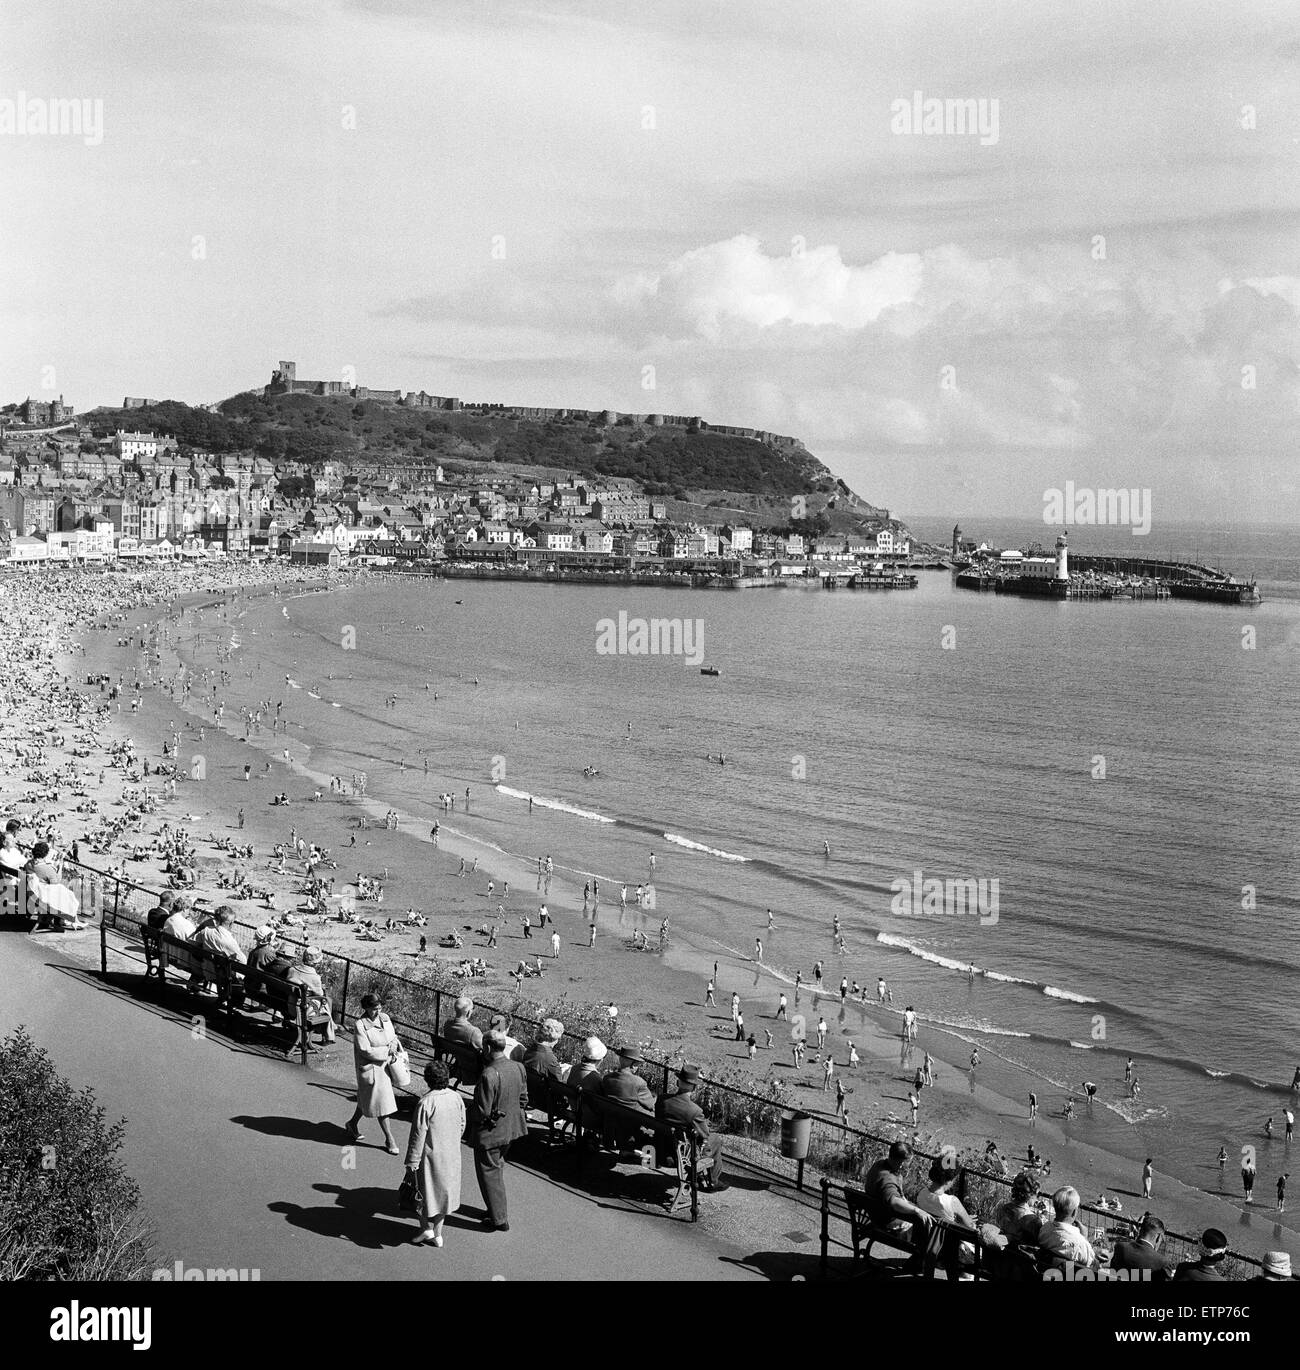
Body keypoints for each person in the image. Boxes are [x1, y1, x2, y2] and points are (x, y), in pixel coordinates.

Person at [471, 1030, 529, 1232]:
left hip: (490, 1133)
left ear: (487, 1047)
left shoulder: (488, 1074)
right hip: (512, 1128)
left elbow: (482, 1111)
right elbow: (523, 1099)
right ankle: (494, 1209)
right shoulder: (519, 1067)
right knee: (497, 1168)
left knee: (489, 1173)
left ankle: (499, 1218)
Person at [404, 1060, 466, 1247]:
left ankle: (425, 1228)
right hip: (451, 1154)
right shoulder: (456, 1098)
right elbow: (462, 1124)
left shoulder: (426, 1102)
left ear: (427, 1079)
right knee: (443, 1195)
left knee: (420, 1194)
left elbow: (418, 1134)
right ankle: (438, 1233)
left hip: (429, 1157)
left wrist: (412, 1161)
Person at [345, 993, 400, 1153]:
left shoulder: (385, 1018)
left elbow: (393, 1037)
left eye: (380, 1008)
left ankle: (352, 1123)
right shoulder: (360, 1025)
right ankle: (390, 1139)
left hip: (386, 1065)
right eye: (374, 1009)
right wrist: (387, 1050)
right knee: (382, 1104)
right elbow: (365, 1050)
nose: (378, 1011)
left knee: (366, 1099)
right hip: (372, 1068)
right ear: (366, 1008)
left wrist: (394, 1044)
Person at [657, 1064, 726, 1190]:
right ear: (694, 1088)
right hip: (680, 1156)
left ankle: (700, 1177)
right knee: (715, 1139)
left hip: (660, 1150)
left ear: (678, 1082)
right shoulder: (694, 1110)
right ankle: (713, 1181)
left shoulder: (662, 1100)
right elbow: (705, 1134)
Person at [862, 1142, 933, 1261]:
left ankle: (919, 1259)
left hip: (876, 1214)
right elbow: (894, 1202)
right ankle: (921, 1260)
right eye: (906, 1164)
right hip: (888, 1223)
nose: (907, 1167)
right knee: (930, 1228)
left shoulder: (879, 1165)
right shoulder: (887, 1179)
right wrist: (916, 1210)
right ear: (900, 1163)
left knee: (924, 1216)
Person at [916, 1155, 979, 1276]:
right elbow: (970, 1228)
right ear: (948, 1180)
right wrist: (965, 1220)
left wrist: (955, 1220)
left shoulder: (922, 1193)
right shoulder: (952, 1201)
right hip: (947, 1250)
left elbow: (938, 1215)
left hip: (925, 1243)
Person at [1037, 1186, 1105, 1270]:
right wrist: (1084, 1238)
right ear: (1074, 1211)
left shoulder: (1045, 1229)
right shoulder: (1080, 1243)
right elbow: (1091, 1263)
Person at [286, 946, 337, 1048]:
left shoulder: (292, 970)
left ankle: (331, 1029)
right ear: (316, 963)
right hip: (304, 1011)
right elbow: (320, 994)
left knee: (325, 1002)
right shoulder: (314, 977)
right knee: (327, 1002)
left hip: (291, 1005)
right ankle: (329, 1036)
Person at [1111, 1214, 1175, 1280]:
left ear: (1140, 1231)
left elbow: (1113, 1273)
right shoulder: (1163, 1263)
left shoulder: (1120, 1248)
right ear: (1158, 1237)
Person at [991, 1171, 1044, 1246]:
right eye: (1037, 1195)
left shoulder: (1003, 1208)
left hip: (1000, 1250)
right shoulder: (1033, 1221)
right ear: (1031, 1195)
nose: (1037, 1199)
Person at [521, 1018, 565, 1110]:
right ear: (553, 1038)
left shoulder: (530, 1050)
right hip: (543, 1100)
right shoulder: (550, 1058)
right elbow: (559, 1086)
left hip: (527, 1092)